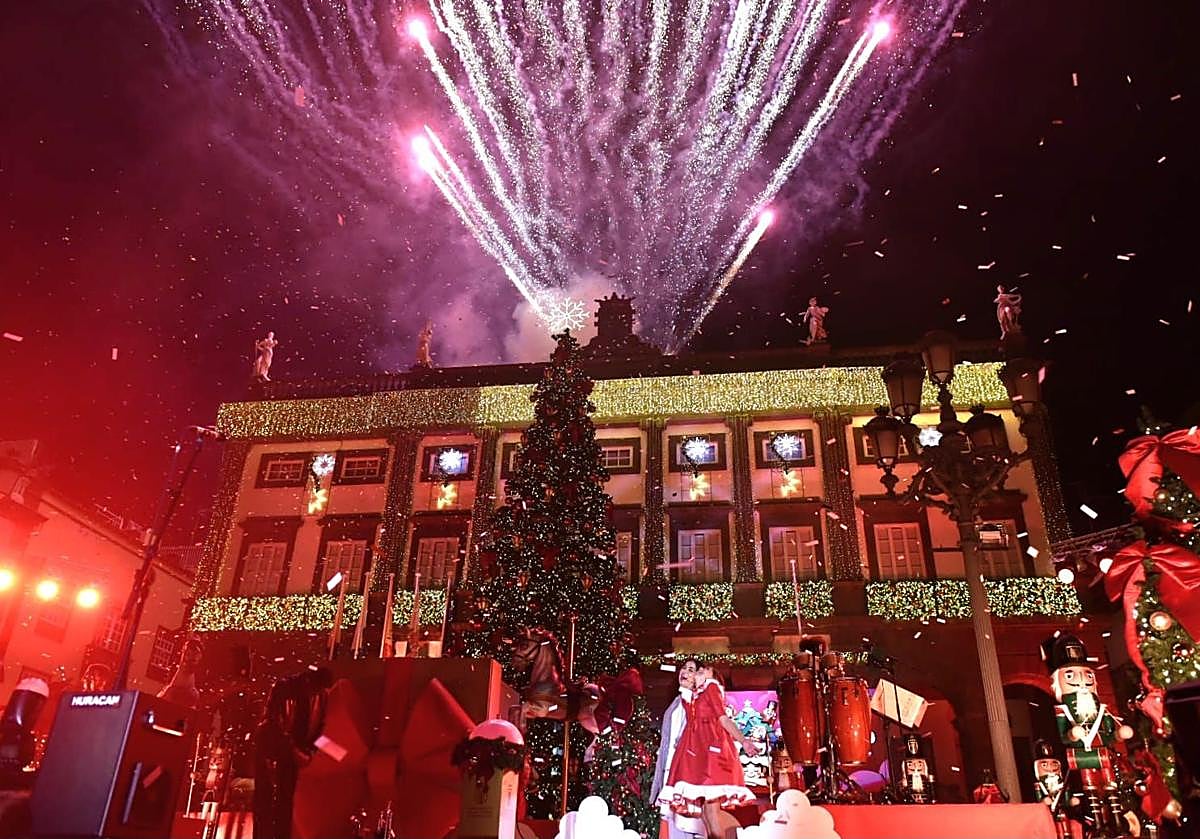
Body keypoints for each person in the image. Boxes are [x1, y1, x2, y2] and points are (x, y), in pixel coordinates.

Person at [660, 664, 758, 839]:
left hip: (711, 751)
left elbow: (723, 719)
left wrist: (744, 741)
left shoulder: (711, 687)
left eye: (702, 671)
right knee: (706, 812)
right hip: (696, 751)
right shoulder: (693, 696)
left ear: (712, 677)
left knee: (711, 812)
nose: (698, 673)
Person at [253, 667, 333, 839]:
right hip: (271, 753)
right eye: (315, 688)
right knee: (266, 803)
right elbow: (273, 724)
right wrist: (295, 751)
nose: (316, 692)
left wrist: (312, 753)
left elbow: (320, 730)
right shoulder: (284, 688)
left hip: (292, 757)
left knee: (285, 803)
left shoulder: (322, 696)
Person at [651, 658, 698, 839]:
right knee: (671, 823)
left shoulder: (696, 702)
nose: (685, 672)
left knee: (686, 823)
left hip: (685, 773)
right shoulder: (675, 703)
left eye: (691, 669)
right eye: (684, 668)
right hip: (669, 771)